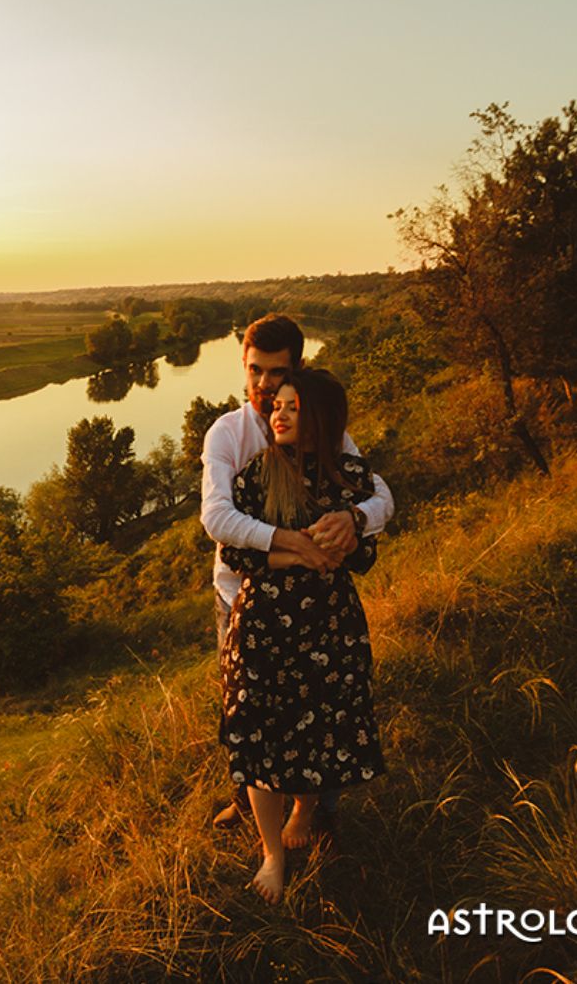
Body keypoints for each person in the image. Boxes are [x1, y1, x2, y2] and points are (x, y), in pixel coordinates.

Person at [199, 314, 393, 832]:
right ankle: (249, 802)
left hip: (317, 607)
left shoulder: (325, 428)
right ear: (243, 365)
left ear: (297, 368)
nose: (263, 385)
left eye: (276, 372)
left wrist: (355, 519)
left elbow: (380, 496)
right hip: (242, 598)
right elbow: (217, 518)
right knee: (247, 708)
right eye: (254, 370)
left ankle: (318, 813)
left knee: (320, 706)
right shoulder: (228, 433)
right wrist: (294, 545)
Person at [219, 367, 386, 902]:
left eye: (293, 406)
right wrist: (298, 553)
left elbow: (363, 556)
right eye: (277, 406)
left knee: (321, 727)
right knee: (258, 734)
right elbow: (234, 551)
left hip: (329, 627)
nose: (280, 413)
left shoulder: (351, 475)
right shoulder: (256, 473)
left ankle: (306, 808)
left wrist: (346, 537)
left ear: (321, 416)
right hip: (262, 626)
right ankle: (271, 854)